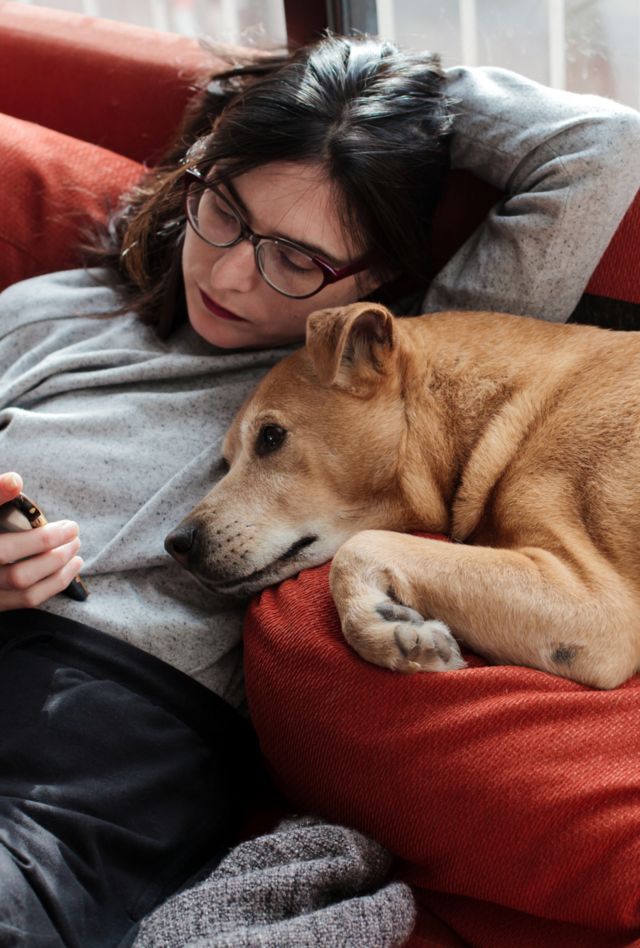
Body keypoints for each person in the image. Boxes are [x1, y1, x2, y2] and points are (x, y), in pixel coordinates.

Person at [0, 31, 638, 948]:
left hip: (99, 735)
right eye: (222, 209)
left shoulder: (416, 361)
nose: (226, 271)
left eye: (295, 258)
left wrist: (365, 99)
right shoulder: (44, 314)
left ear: (371, 277)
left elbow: (598, 147)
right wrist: (280, 106)